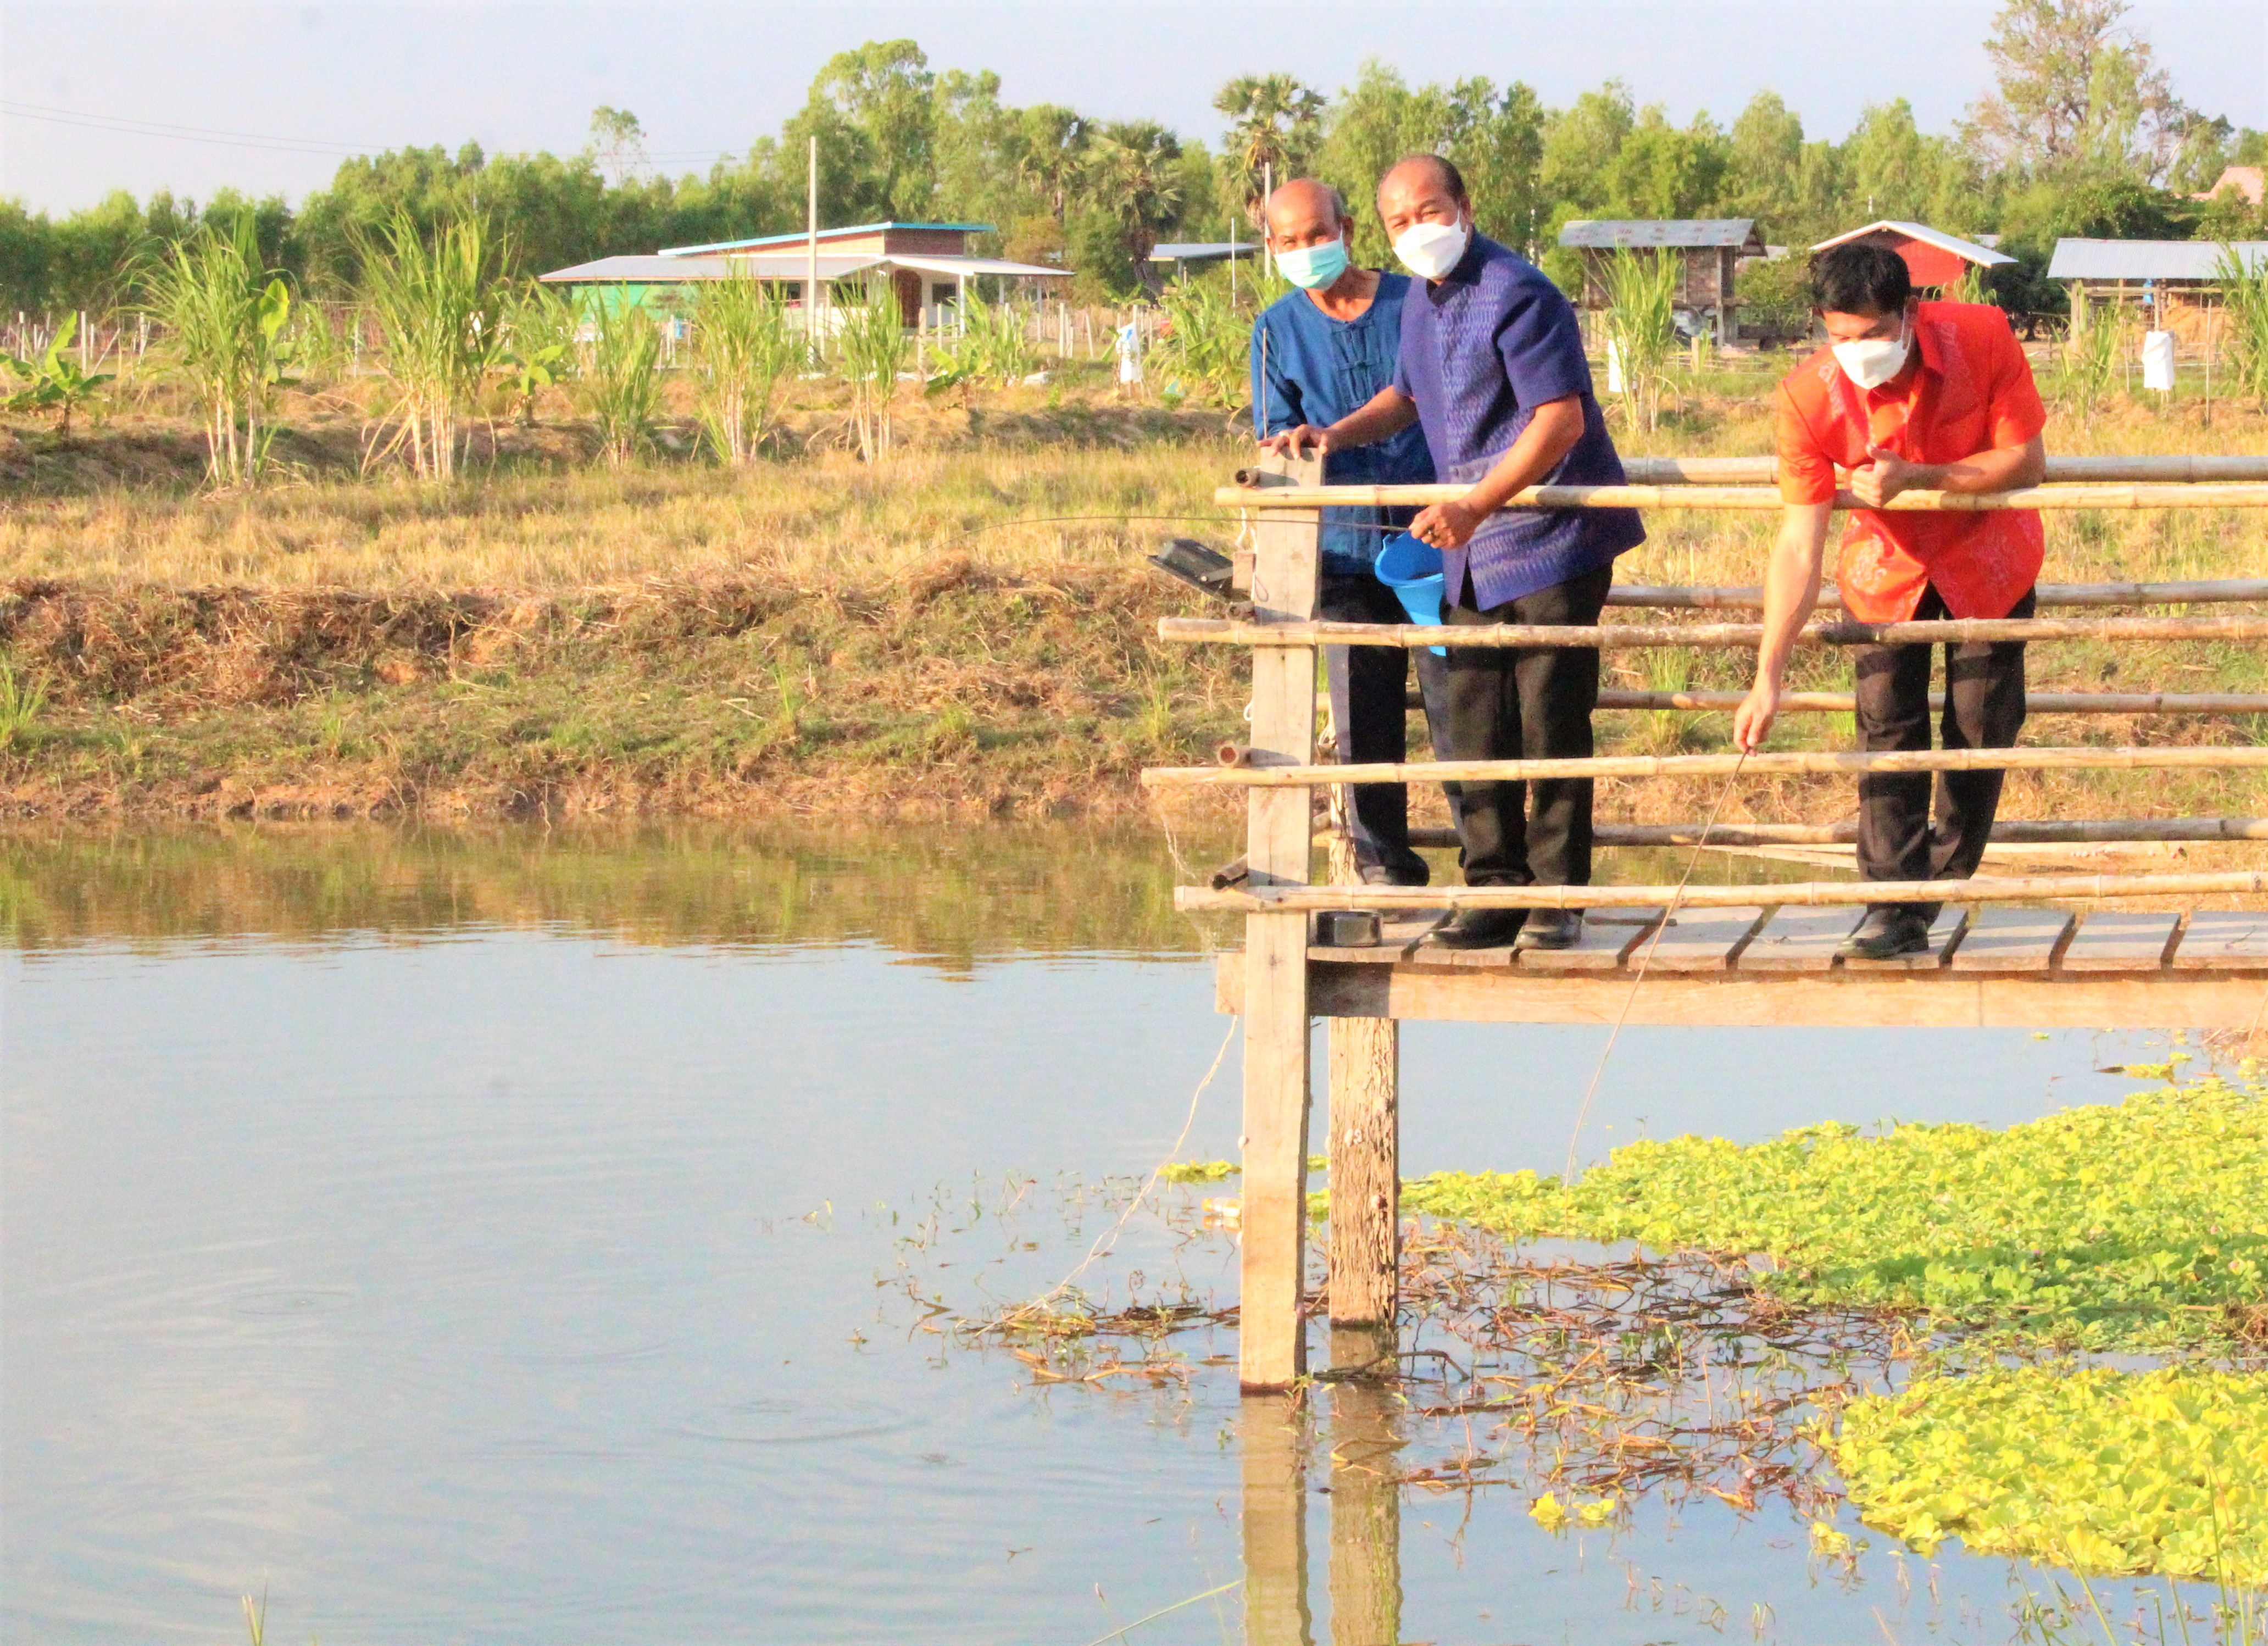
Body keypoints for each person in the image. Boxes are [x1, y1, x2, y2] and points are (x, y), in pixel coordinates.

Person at [1266, 155, 1644, 949]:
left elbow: (1559, 422)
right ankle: (1493, 889)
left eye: (1430, 212)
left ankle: (1556, 901)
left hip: (1550, 536)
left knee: (1549, 717)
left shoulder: (1518, 291)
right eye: (1402, 222)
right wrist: (1332, 435)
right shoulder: (1421, 302)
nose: (1418, 232)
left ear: (1466, 206)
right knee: (1475, 714)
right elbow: (1402, 399)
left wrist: (1476, 501)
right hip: (1473, 543)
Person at [1733, 241, 2048, 959]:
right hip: (1884, 568)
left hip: (1988, 557)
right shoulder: (1807, 397)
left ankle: (1934, 884)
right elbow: (1798, 544)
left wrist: (1923, 477)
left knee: (1980, 727)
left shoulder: (1980, 336)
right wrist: (1768, 674)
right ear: (1821, 324)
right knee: (1887, 730)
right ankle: (1890, 907)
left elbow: (2026, 461)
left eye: (1873, 333)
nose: (1858, 350)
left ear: (1910, 312)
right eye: (1841, 336)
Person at [1250, 177, 1455, 886]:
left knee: (1458, 704)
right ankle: (1384, 871)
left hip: (1438, 539)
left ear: (1345, 229)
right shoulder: (1277, 329)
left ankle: (1493, 870)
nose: (1307, 249)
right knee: (1362, 714)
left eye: (1317, 234)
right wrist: (1294, 442)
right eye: (1290, 241)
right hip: (1341, 547)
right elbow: (1274, 435)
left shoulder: (1416, 302)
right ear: (1272, 247)